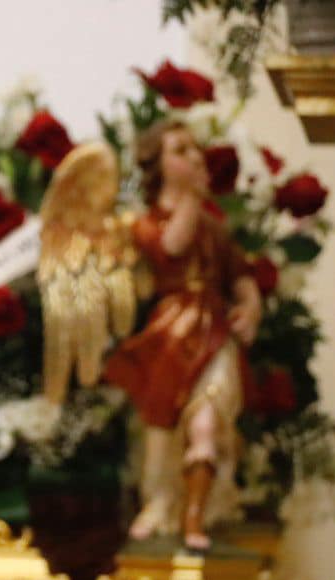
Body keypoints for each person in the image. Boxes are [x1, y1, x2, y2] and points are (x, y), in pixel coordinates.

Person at [105, 120, 262, 552]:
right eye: (180, 150)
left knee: (208, 420)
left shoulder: (215, 228)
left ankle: (198, 513)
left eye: (195, 148)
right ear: (157, 165)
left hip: (215, 334)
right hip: (171, 336)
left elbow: (241, 276)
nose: (194, 156)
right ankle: (161, 502)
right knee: (163, 423)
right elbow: (171, 247)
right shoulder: (145, 223)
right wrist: (192, 196)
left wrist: (251, 308)